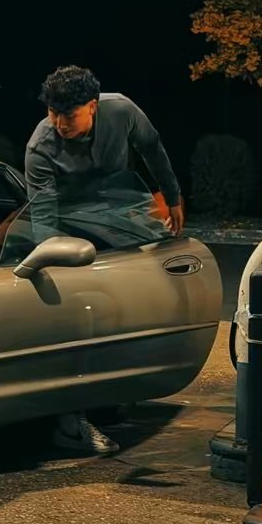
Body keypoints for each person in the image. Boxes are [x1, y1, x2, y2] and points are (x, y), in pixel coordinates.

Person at [26, 65, 185, 457]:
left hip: (118, 211)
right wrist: (55, 265)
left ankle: (118, 388)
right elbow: (44, 219)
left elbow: (153, 147)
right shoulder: (39, 147)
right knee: (78, 314)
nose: (59, 123)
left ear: (93, 107)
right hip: (69, 220)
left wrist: (173, 196)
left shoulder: (123, 111)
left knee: (138, 296)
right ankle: (69, 418)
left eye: (69, 115)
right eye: (52, 113)